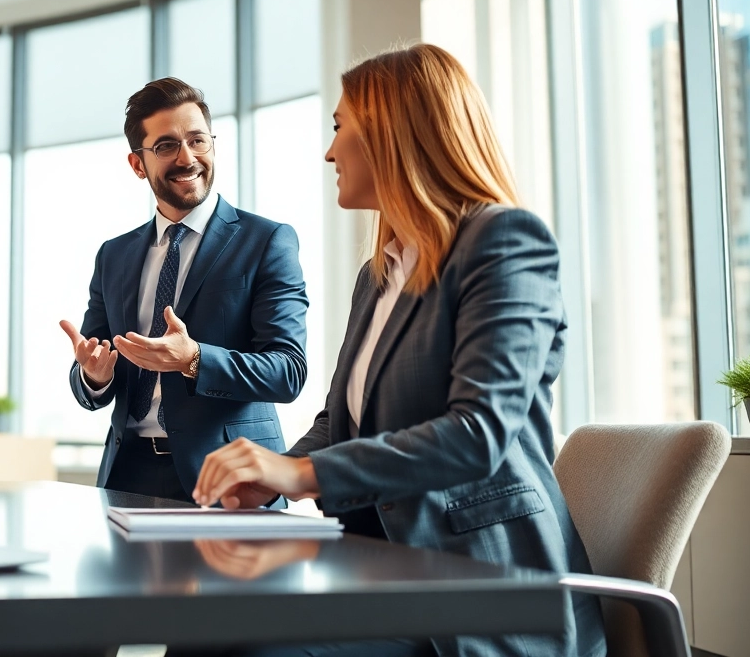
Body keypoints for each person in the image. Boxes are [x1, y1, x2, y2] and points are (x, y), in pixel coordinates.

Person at [190, 45, 607, 657]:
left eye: (340, 128)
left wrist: (301, 474)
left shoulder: (504, 242)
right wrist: (270, 479)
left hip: (484, 590)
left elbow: (478, 434)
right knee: (209, 632)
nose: (329, 151)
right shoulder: (378, 275)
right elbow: (339, 421)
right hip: (386, 574)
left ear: (393, 131)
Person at [59, 77, 309, 503]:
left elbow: (288, 372)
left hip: (229, 479)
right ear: (138, 164)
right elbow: (93, 367)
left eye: (197, 140)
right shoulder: (113, 256)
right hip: (126, 474)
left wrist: (194, 359)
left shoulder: (267, 241)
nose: (187, 157)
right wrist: (93, 376)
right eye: (166, 146)